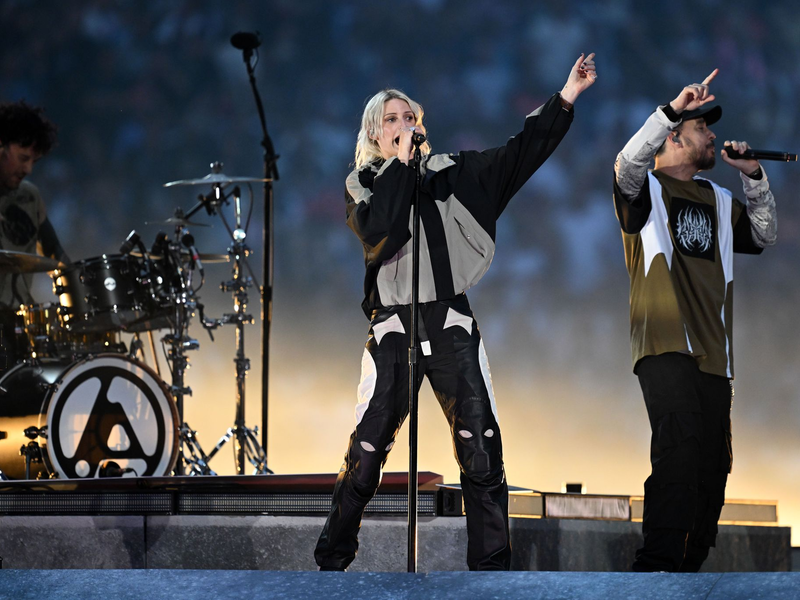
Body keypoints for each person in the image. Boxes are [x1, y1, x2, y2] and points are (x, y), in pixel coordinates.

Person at [314, 53, 597, 571]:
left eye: (410, 117)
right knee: (368, 451)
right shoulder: (363, 185)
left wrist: (567, 96)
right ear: (375, 135)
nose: (405, 125)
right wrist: (401, 163)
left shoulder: (453, 173)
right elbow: (384, 229)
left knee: (480, 445)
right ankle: (331, 562)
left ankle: (490, 570)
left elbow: (518, 155)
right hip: (394, 328)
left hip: (449, 322)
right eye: (392, 119)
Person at [613, 69, 777, 572]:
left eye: (707, 126)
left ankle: (689, 570)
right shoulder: (645, 193)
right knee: (679, 455)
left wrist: (753, 176)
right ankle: (655, 569)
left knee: (713, 468)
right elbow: (625, 164)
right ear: (673, 137)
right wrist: (668, 108)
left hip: (714, 355)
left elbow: (765, 234)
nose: (710, 134)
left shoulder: (719, 200)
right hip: (664, 345)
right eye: (700, 126)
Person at [0, 100, 69, 370]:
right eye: (23, 158)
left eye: (34, 161)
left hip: (19, 321)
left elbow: (55, 255)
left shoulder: (30, 196)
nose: (28, 169)